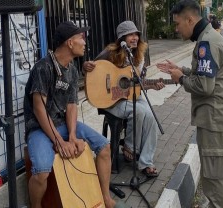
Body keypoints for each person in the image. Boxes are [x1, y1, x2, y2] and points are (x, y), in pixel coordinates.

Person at [24, 21, 128, 208]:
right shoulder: (43, 67)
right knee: (41, 172)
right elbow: (39, 109)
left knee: (104, 147)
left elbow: (72, 104)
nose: (85, 42)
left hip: (63, 125)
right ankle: (36, 206)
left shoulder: (71, 69)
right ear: (70, 43)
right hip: (40, 128)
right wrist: (59, 141)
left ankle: (105, 199)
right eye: (81, 37)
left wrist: (72, 135)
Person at [157, 0, 223, 207]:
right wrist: (181, 70)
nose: (176, 29)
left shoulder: (206, 43)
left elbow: (204, 86)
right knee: (213, 175)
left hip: (214, 119)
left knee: (213, 178)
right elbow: (206, 75)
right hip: (215, 118)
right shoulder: (207, 38)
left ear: (190, 19)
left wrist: (180, 79)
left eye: (177, 24)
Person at [83, 21, 165, 177]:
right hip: (111, 100)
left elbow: (136, 85)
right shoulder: (110, 53)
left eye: (136, 35)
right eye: (130, 35)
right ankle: (130, 146)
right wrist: (85, 66)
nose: (134, 38)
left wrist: (153, 86)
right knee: (140, 110)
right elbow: (91, 68)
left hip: (129, 96)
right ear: (122, 38)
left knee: (150, 115)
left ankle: (146, 162)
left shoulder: (138, 58)